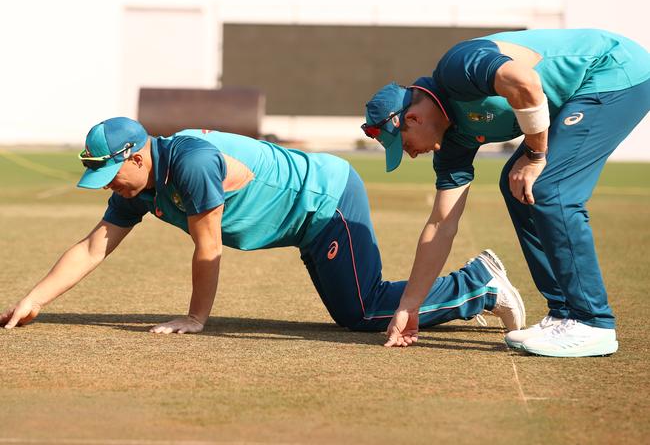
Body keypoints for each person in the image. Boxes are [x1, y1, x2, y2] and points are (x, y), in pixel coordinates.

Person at [1, 117, 525, 339]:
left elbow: (208, 249)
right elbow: (96, 245)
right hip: (308, 223)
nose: (108, 186)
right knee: (357, 310)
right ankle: (473, 284)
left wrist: (195, 318)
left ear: (136, 157)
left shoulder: (189, 163)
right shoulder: (142, 184)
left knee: (363, 312)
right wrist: (36, 299)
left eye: (109, 174)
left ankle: (480, 286)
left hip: (327, 200)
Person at [362, 28, 650, 356]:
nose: (412, 155)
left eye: (405, 147)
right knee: (514, 183)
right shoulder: (453, 142)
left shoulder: (457, 68)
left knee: (548, 186)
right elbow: (441, 224)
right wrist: (410, 306)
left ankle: (593, 322)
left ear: (412, 118)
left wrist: (535, 155)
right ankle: (564, 314)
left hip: (614, 70)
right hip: (581, 90)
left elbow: (524, 83)